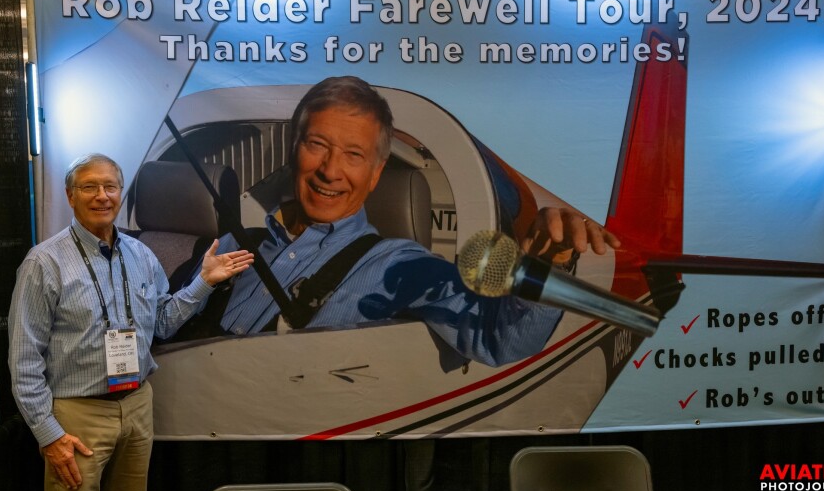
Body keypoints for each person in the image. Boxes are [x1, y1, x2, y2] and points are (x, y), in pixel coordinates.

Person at [206, 76, 620, 367]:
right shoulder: (231, 246)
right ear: (295, 151)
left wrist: (543, 270)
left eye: (354, 155)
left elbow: (499, 341)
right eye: (318, 145)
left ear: (375, 174)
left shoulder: (400, 265)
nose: (330, 170)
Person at [8, 153, 254, 491]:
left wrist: (203, 281)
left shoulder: (141, 254)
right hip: (78, 416)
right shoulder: (44, 263)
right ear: (70, 195)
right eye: (89, 186)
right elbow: (23, 359)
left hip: (137, 406)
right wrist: (49, 435)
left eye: (110, 186)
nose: (101, 196)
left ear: (120, 193)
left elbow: (164, 322)